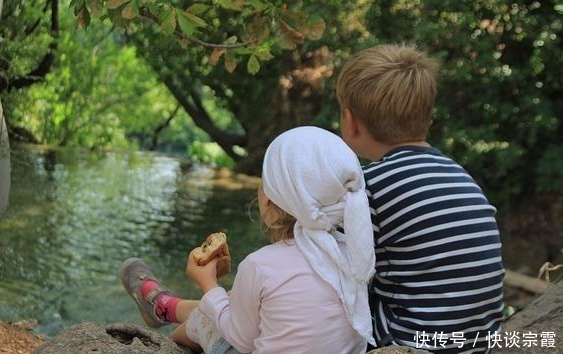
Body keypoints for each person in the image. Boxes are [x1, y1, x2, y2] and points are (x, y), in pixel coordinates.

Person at [119, 126, 377, 354]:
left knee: (205, 320)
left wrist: (209, 285)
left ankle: (163, 342)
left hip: (238, 337)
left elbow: (241, 339)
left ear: (267, 201)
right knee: (240, 302)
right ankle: (165, 307)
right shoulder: (354, 252)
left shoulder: (260, 266)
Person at [335, 43, 505, 353]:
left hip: (411, 345)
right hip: (479, 342)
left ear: (350, 121)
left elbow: (335, 270)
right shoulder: (458, 174)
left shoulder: (367, 186)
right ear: (427, 118)